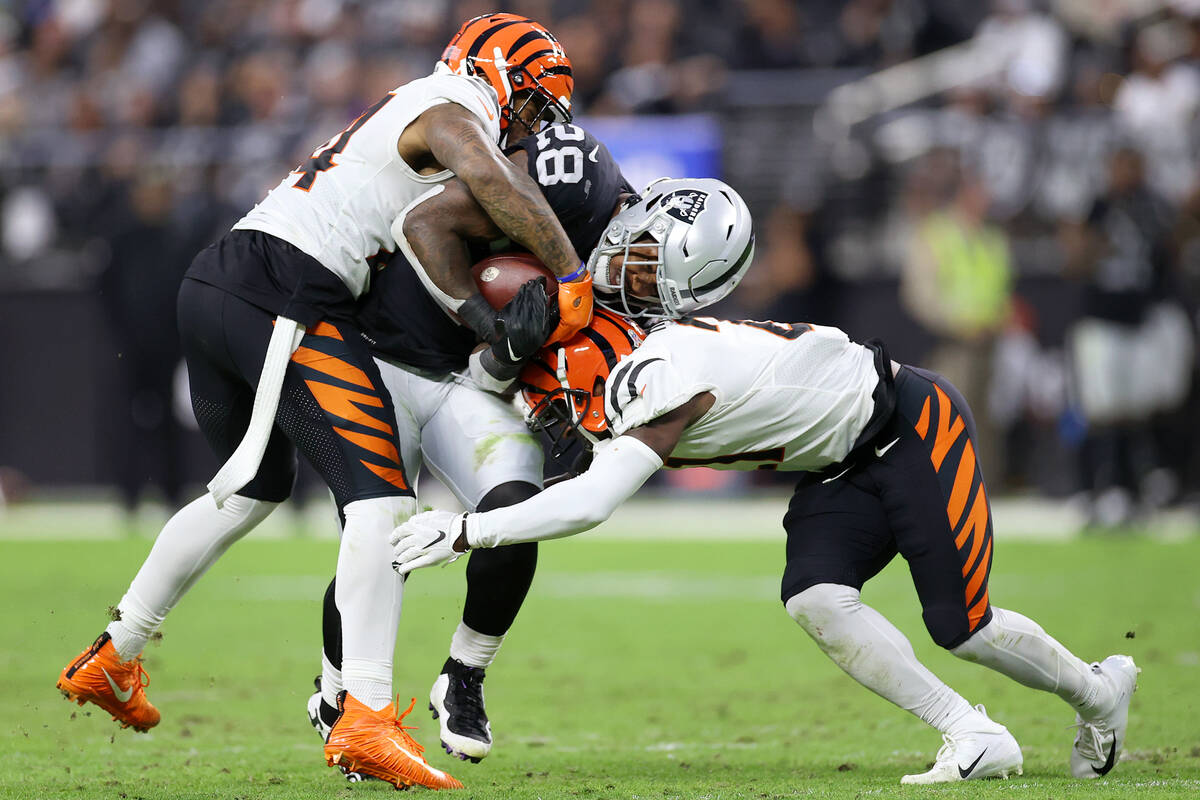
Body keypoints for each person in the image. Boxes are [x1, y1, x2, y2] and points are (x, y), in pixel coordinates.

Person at [57, 12, 591, 791]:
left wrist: (487, 328)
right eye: (535, 102)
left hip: (225, 283)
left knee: (250, 490)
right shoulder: (449, 105)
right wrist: (569, 275)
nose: (534, 124)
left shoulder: (419, 109)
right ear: (497, 72)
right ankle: (366, 715)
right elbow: (490, 179)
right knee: (382, 503)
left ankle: (114, 654)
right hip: (286, 290)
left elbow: (422, 231)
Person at [391, 286, 1139, 783]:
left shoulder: (655, 377)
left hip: (911, 426)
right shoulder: (632, 359)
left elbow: (592, 504)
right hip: (839, 461)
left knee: (960, 625)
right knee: (815, 597)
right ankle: (970, 734)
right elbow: (504, 382)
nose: (553, 418)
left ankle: (1099, 692)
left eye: (557, 402)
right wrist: (499, 359)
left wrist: (466, 531)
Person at [307, 120, 637, 767]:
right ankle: (337, 691)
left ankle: (464, 673)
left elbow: (504, 367)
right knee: (376, 534)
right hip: (378, 363)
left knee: (514, 509)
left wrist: (525, 365)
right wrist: (491, 323)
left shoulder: (593, 233)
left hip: (467, 387)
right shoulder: (464, 180)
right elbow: (423, 227)